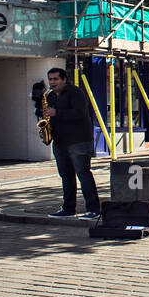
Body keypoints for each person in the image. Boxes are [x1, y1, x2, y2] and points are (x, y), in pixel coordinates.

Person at [41, 68, 101, 219]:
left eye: (55, 79)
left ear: (64, 79)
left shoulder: (75, 93)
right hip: (60, 141)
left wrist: (57, 113)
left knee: (83, 174)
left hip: (78, 140)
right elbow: (52, 116)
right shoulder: (50, 96)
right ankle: (68, 208)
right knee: (66, 175)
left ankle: (93, 209)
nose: (52, 82)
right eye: (50, 79)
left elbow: (80, 113)